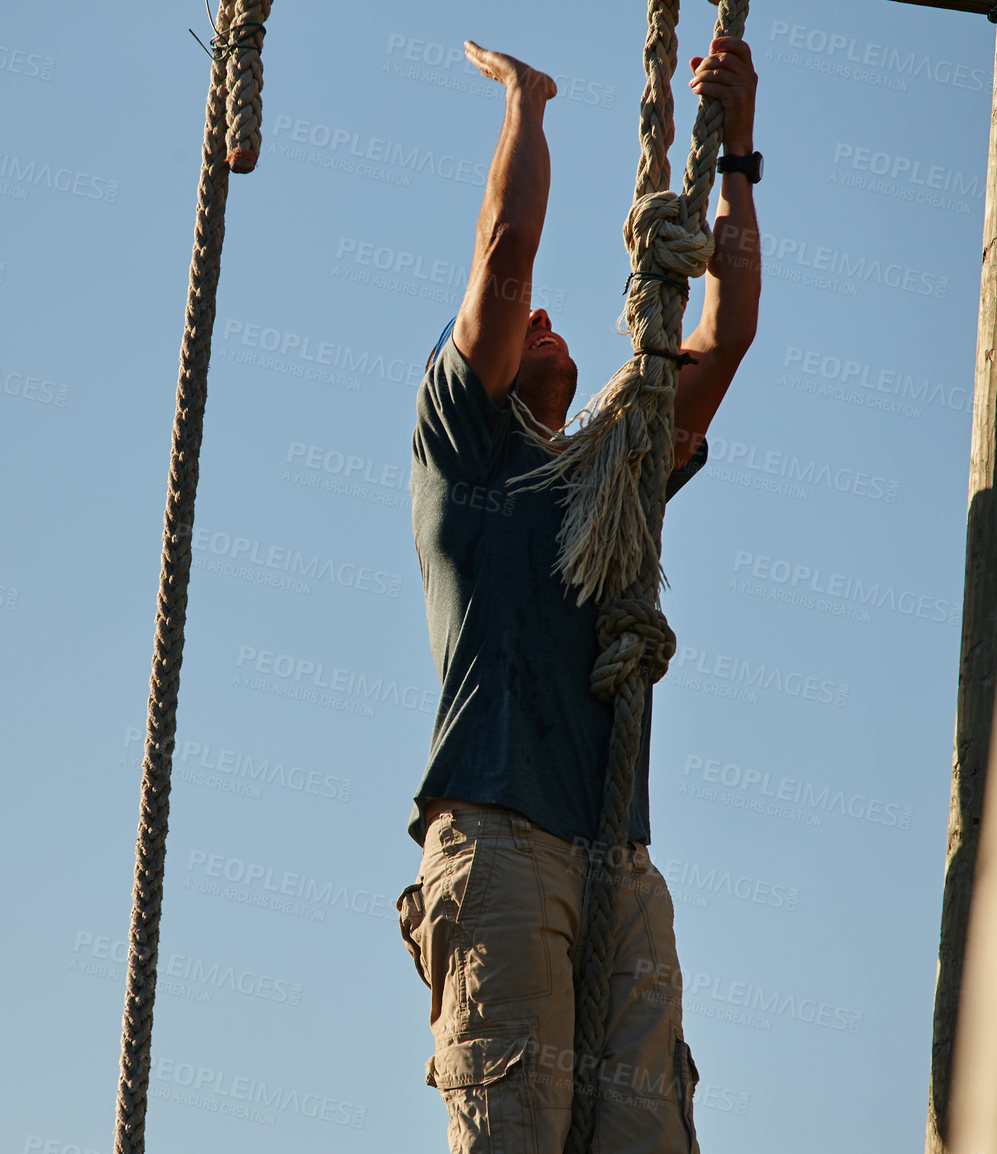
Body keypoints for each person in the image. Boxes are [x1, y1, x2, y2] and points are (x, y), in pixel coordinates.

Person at [394, 35, 762, 1154]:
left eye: (558, 318)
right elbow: (506, 247)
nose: (546, 317)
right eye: (529, 325)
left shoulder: (610, 478)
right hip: (499, 844)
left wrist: (738, 151)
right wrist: (528, 106)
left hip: (618, 862)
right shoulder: (465, 450)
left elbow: (725, 332)